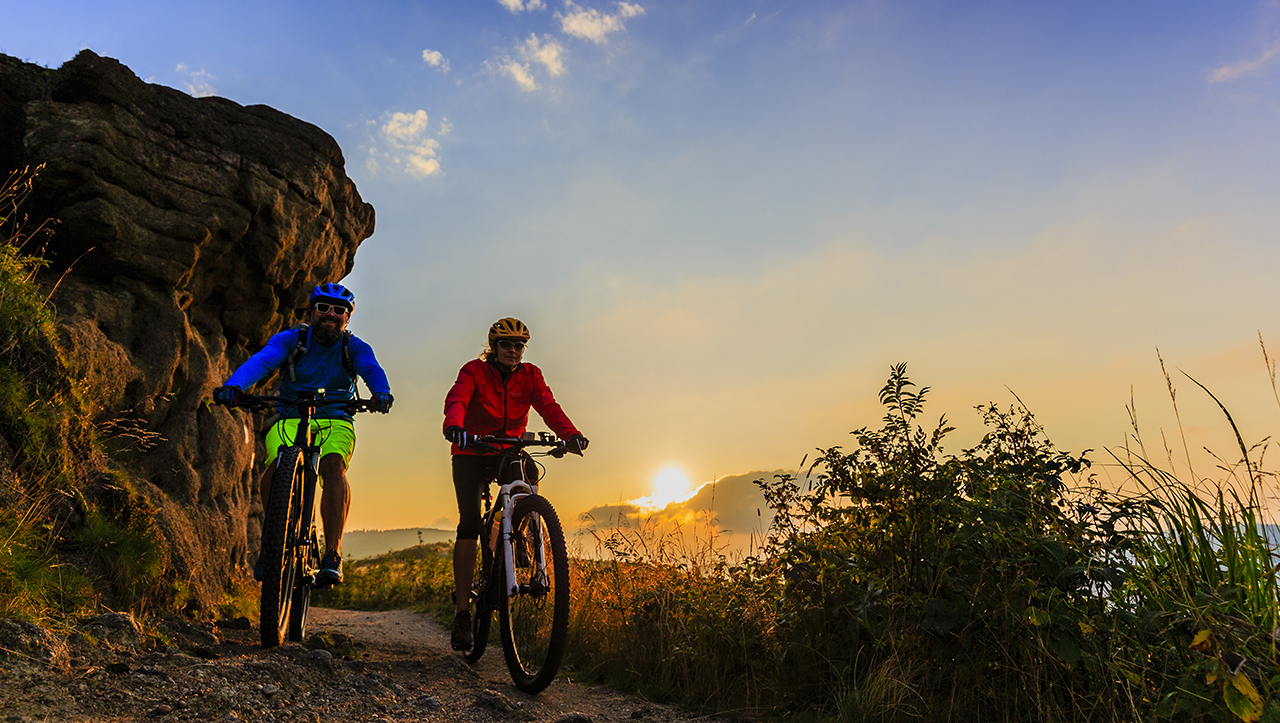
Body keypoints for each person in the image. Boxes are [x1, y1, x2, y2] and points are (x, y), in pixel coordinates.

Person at [212, 283, 393, 587]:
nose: (331, 315)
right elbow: (263, 360)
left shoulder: (354, 347)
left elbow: (370, 368)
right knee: (277, 464)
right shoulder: (292, 340)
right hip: (290, 414)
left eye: (339, 310)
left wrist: (381, 393)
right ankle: (272, 542)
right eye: (324, 308)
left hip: (335, 418)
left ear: (347, 318)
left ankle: (332, 555)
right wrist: (235, 386)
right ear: (312, 312)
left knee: (334, 466)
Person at [442, 317, 588, 651]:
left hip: (508, 450)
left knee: (528, 477)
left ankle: (520, 532)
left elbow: (549, 406)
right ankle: (463, 612)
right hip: (471, 449)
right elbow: (458, 400)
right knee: (467, 524)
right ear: (493, 348)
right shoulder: (474, 371)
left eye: (519, 345)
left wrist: (570, 435)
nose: (513, 350)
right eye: (506, 344)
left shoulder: (531, 375)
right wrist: (454, 425)